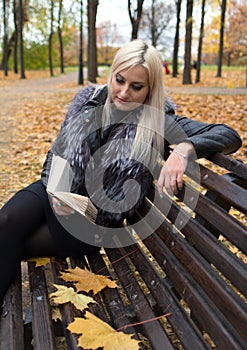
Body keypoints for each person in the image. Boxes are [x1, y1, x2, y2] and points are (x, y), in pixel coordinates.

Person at [0, 39, 242, 310]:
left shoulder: (159, 121)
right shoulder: (88, 101)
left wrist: (183, 149)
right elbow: (59, 152)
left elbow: (229, 135)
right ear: (112, 74)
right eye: (120, 80)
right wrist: (57, 187)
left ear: (150, 90)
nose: (124, 92)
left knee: (11, 241)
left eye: (136, 87)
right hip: (53, 195)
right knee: (5, 221)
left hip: (85, 225)